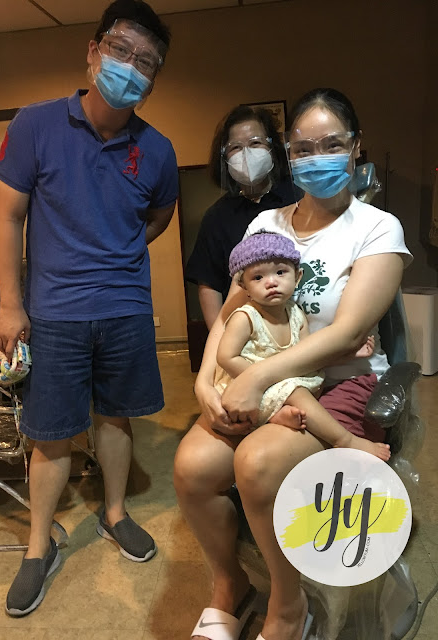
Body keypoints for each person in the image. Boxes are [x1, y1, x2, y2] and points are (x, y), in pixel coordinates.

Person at [174, 87, 412, 640]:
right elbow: (230, 312)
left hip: (339, 385)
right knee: (191, 468)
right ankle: (231, 585)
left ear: (356, 147)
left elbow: (347, 334)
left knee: (256, 465)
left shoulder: (377, 228)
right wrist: (206, 381)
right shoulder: (265, 226)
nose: (317, 157)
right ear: (289, 154)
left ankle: (288, 606)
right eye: (304, 148)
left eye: (332, 144)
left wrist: (257, 375)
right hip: (264, 384)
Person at [0, 0, 178, 617]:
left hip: (125, 308)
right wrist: (11, 303)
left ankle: (114, 513)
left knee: (116, 419)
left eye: (145, 62)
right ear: (94, 50)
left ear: (153, 79)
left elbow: (159, 216)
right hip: (53, 311)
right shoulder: (35, 125)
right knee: (49, 434)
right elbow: (8, 218)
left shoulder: (157, 149)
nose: (130, 67)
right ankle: (38, 547)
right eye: (121, 50)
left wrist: (118, 250)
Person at [216, 231, 390, 460]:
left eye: (280, 272)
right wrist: (258, 379)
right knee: (295, 391)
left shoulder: (295, 314)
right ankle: (344, 439)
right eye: (257, 277)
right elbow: (225, 357)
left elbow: (310, 357)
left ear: (297, 277)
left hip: (279, 380)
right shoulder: (245, 317)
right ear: (244, 286)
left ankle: (276, 415)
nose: (271, 282)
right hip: (245, 387)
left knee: (313, 383)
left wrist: (348, 355)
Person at [185, 105, 296, 330]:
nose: (246, 153)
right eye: (235, 147)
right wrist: (221, 339)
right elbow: (209, 284)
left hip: (299, 322)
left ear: (272, 148)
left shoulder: (299, 197)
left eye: (255, 143)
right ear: (224, 157)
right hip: (245, 330)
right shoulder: (216, 217)